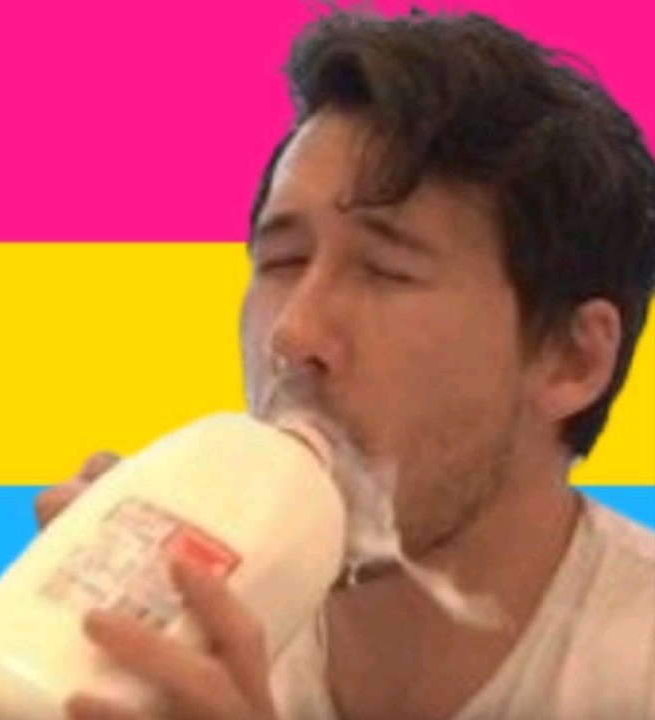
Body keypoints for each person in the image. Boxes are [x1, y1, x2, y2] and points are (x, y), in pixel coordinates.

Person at [35, 8, 655, 720]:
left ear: (572, 358)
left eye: (385, 271)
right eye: (283, 261)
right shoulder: (182, 625)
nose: (292, 335)